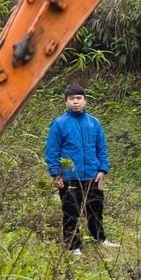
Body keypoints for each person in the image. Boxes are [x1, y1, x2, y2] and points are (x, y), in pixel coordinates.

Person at [45, 85, 112, 255]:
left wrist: (102, 170)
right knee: (70, 211)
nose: (76, 102)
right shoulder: (59, 124)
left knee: (95, 209)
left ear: (84, 100)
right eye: (72, 99)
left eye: (79, 98)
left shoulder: (93, 122)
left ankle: (100, 238)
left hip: (92, 174)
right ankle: (73, 246)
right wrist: (56, 174)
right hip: (69, 176)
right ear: (66, 101)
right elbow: (52, 151)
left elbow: (101, 148)